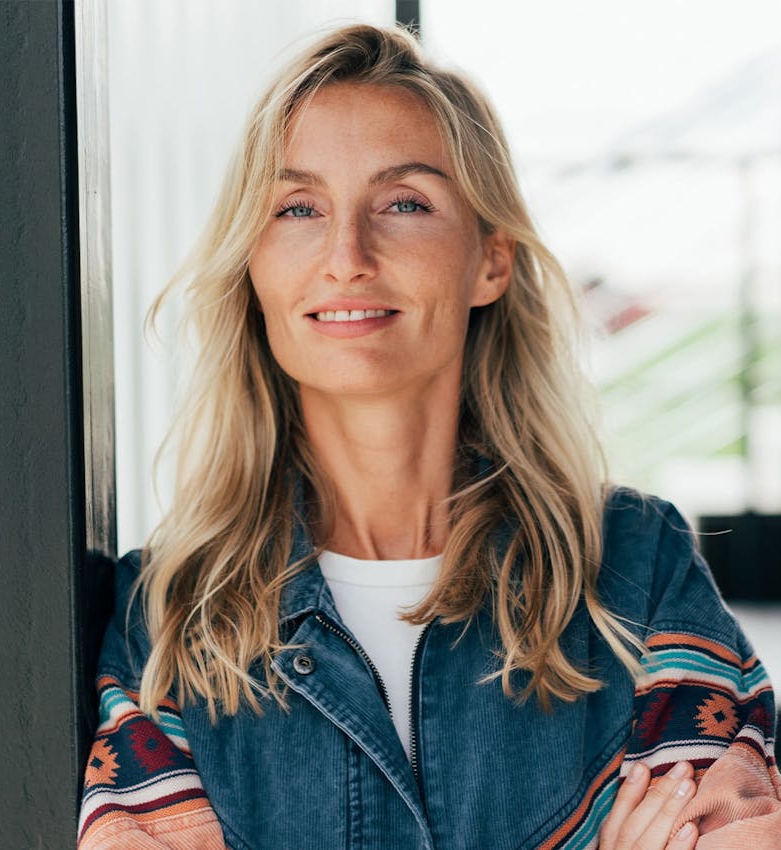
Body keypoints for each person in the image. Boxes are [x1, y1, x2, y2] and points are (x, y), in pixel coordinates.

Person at [77, 24, 780, 850]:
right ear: (253, 266)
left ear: (491, 258)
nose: (346, 256)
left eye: (404, 203)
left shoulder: (633, 568)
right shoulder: (168, 620)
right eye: (297, 207)